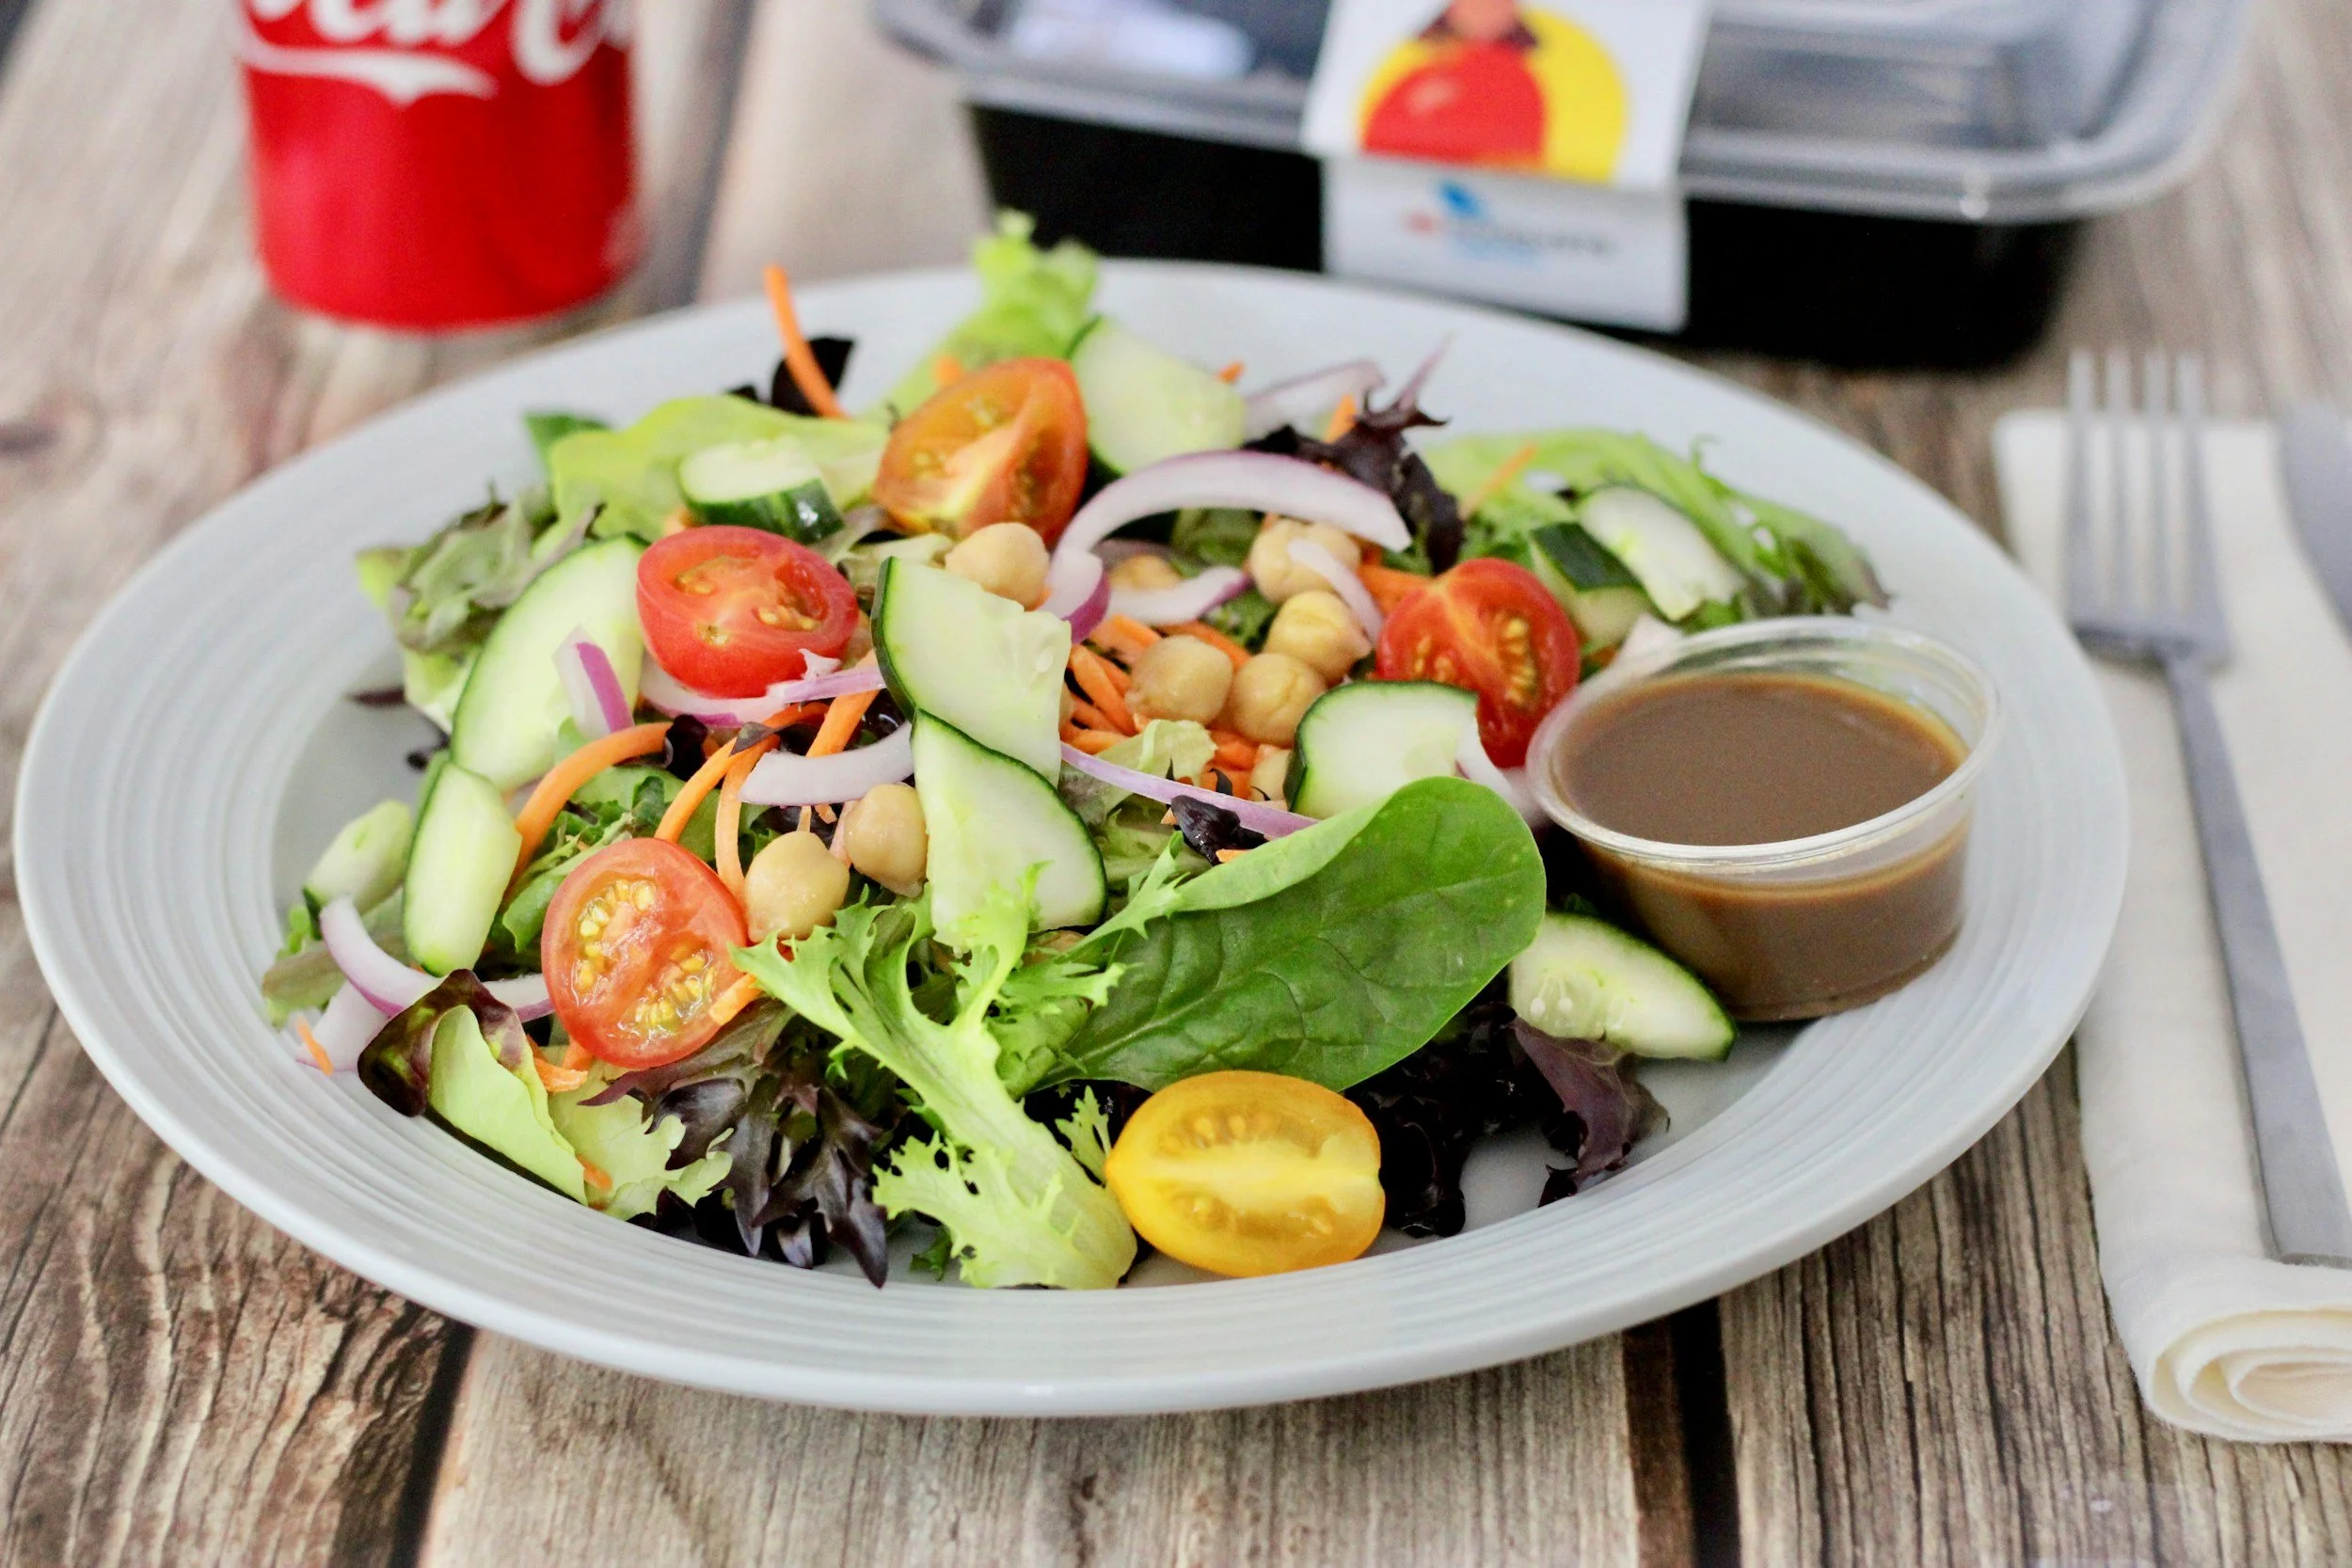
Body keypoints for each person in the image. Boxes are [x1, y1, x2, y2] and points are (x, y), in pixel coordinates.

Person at [1358, 0, 1628, 182]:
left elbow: (1530, 145)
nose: (1484, 9)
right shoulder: (1423, 74)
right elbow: (1378, 139)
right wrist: (1417, 106)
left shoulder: (1521, 79)